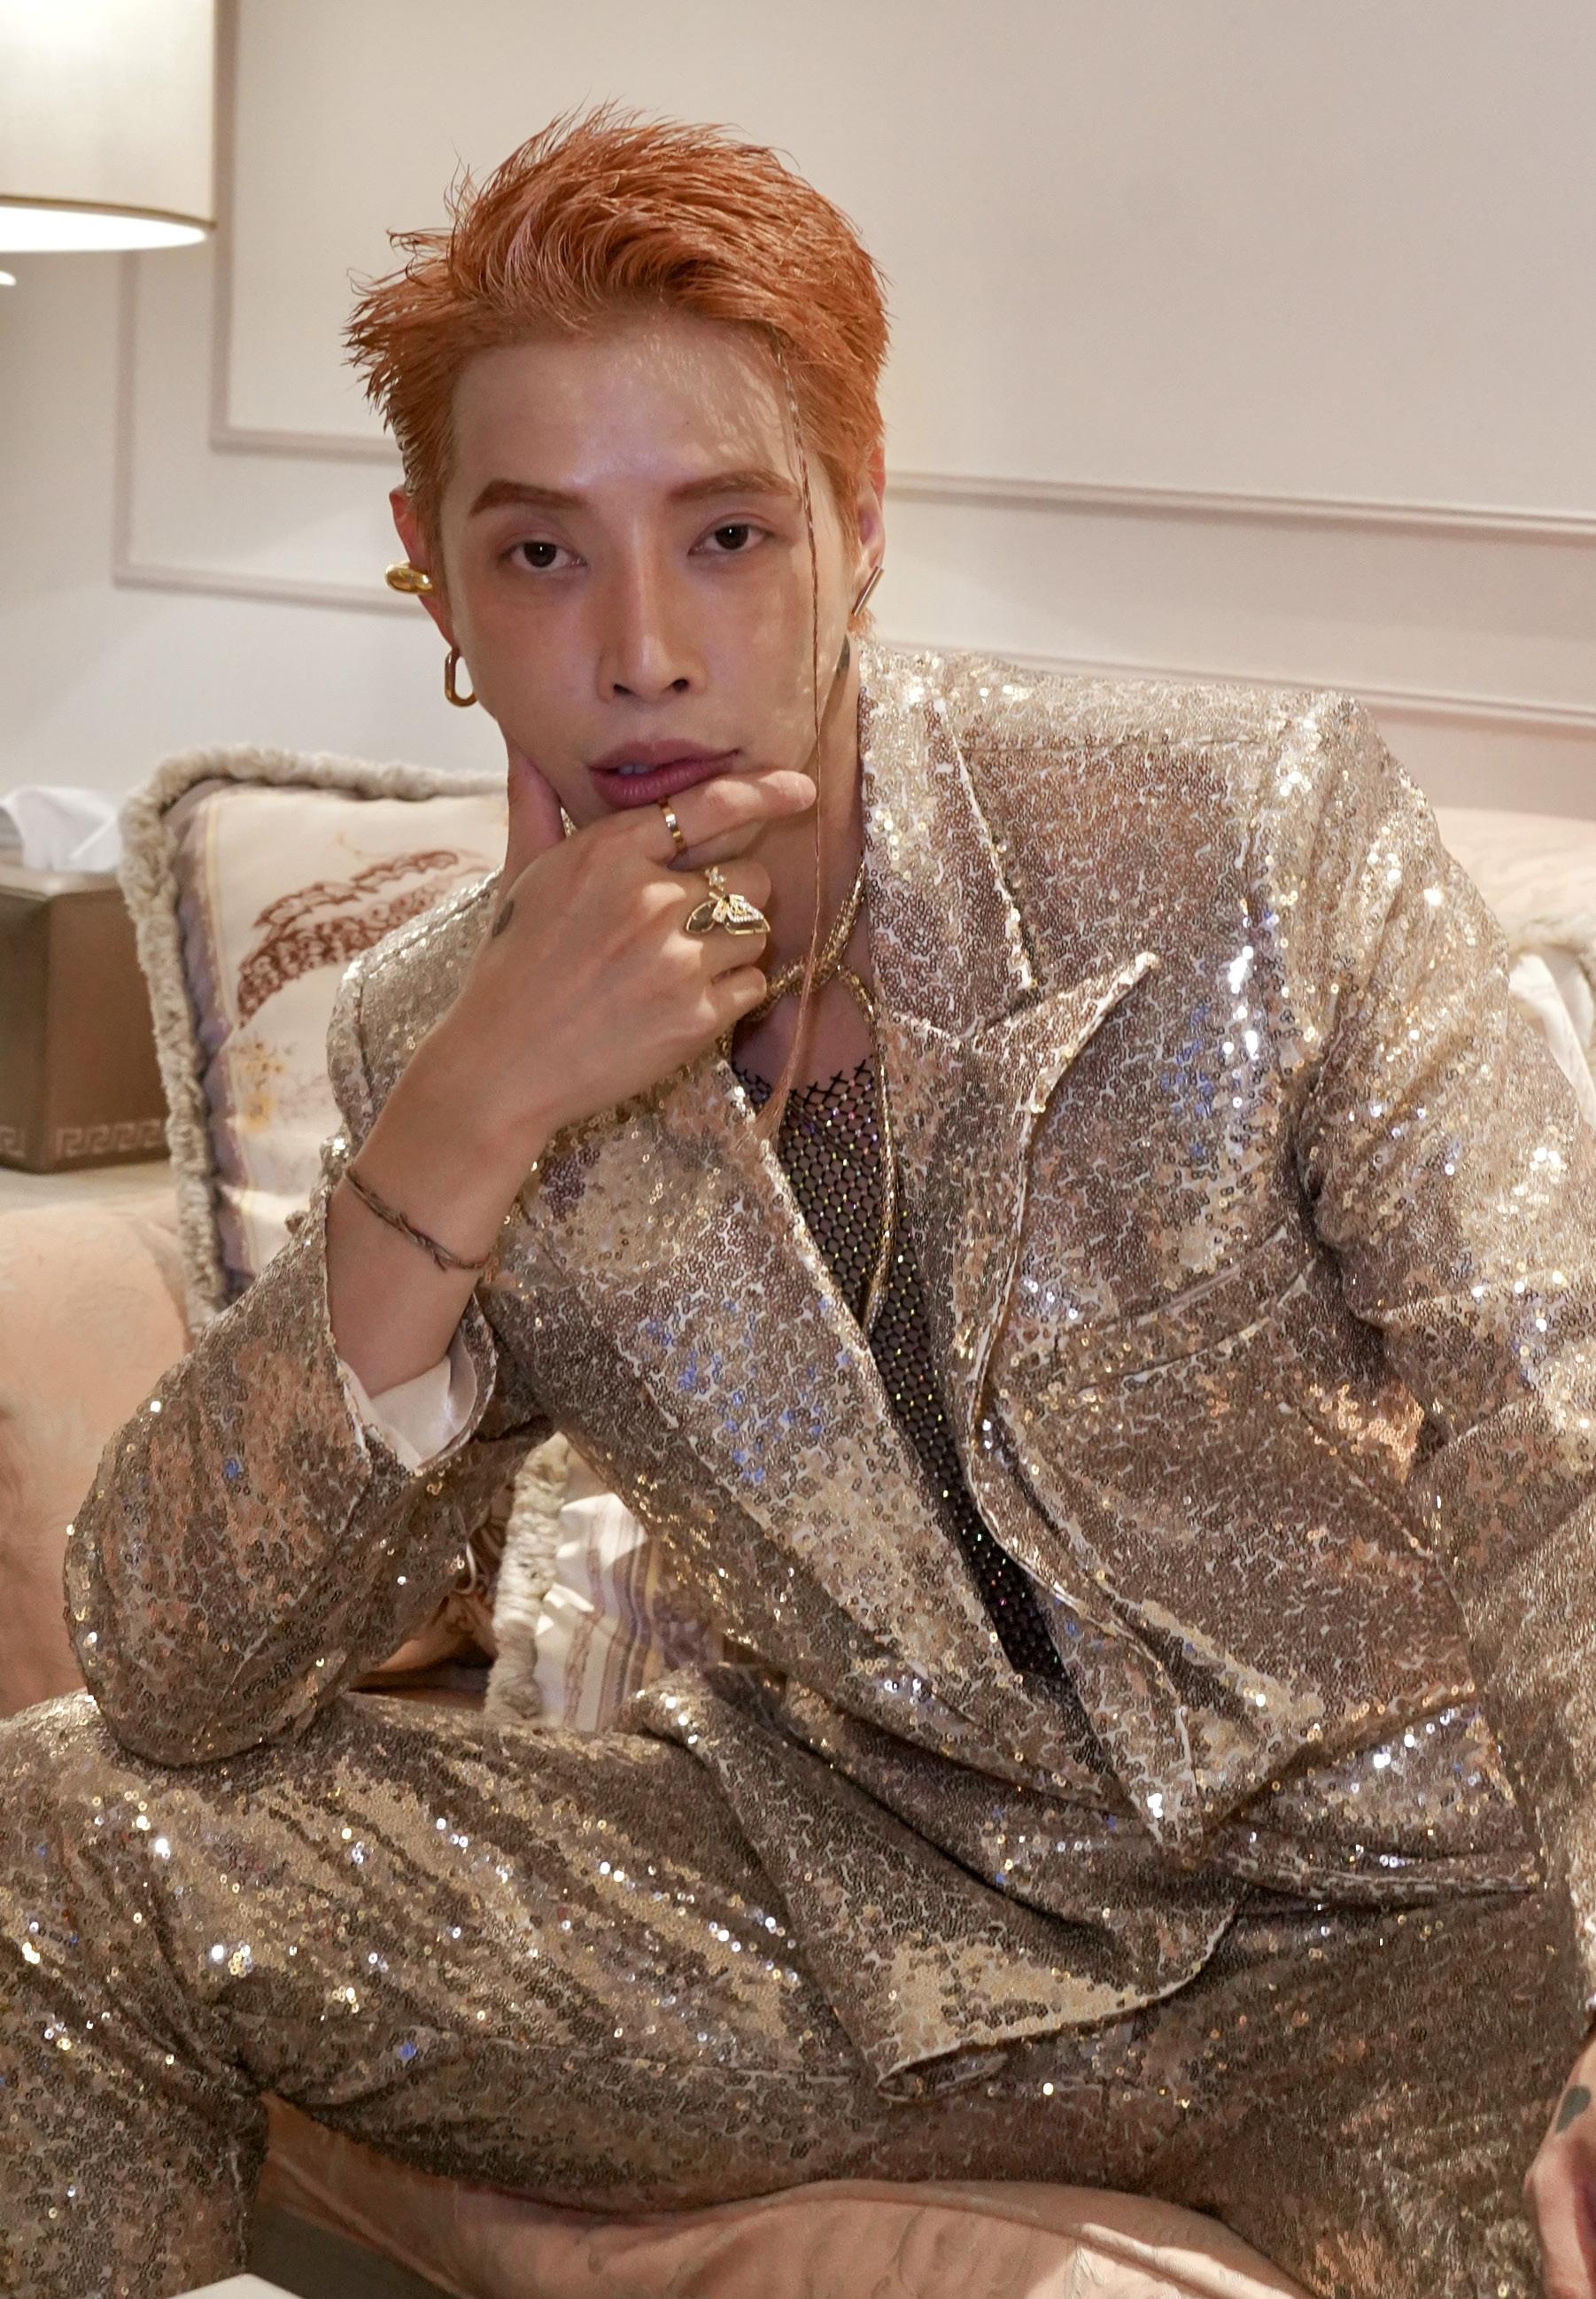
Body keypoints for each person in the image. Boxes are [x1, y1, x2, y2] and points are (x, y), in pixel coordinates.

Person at [4, 103, 1596, 2299]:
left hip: (1393, 1937)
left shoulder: (1237, 834)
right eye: (539, 553)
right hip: (865, 1919)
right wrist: (464, 1119)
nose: (640, 648)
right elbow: (172, 1668)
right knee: (65, 1828)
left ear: (859, 519)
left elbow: (1553, 1419)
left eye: (729, 533)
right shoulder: (438, 1039)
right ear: (429, 574)